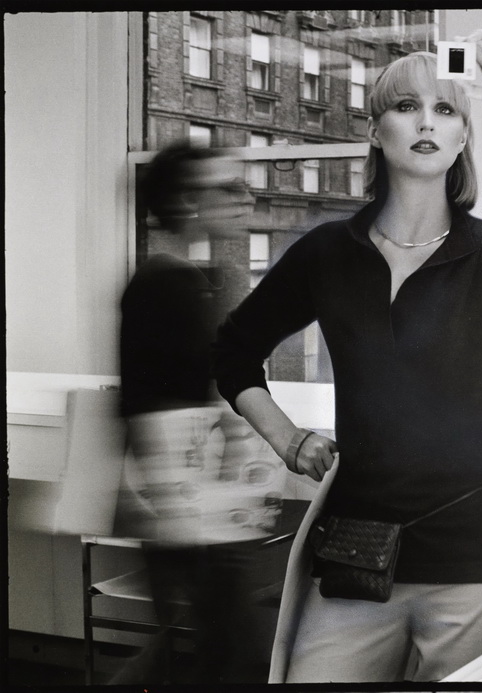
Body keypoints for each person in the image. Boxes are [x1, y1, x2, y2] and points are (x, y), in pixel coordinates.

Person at [212, 29, 482, 683]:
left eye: (446, 109)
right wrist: (288, 440)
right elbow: (233, 351)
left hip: (480, 557)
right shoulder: (327, 254)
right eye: (406, 106)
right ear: (376, 131)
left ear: (460, 140)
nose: (427, 120)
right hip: (356, 554)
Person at [117, 140, 271, 684]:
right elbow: (151, 402)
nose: (244, 199)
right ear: (186, 204)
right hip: (195, 507)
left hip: (201, 505)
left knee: (208, 651)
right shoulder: (164, 288)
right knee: (228, 656)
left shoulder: (190, 282)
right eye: (227, 189)